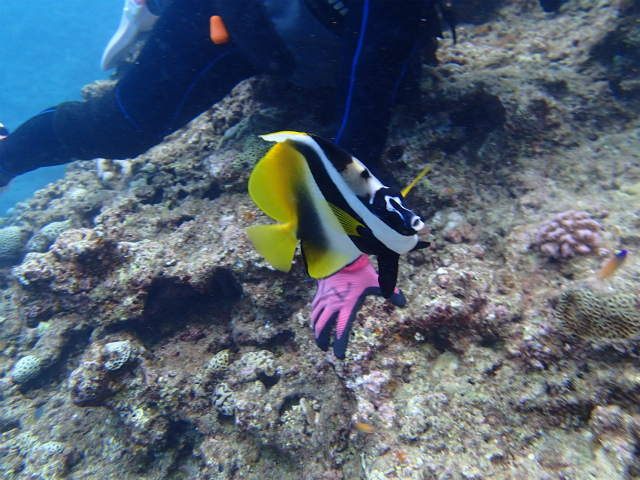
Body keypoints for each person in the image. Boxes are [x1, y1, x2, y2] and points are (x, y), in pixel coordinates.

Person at [0, 0, 451, 357]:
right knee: (121, 126)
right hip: (238, 18)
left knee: (399, 78)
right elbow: (365, 99)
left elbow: (377, 65)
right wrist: (341, 250)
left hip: (324, 35)